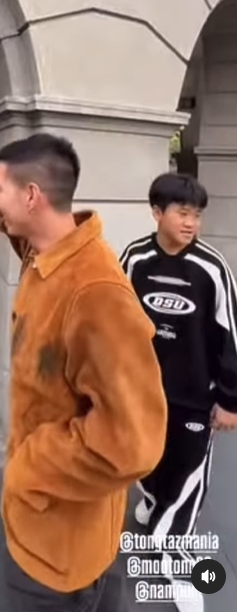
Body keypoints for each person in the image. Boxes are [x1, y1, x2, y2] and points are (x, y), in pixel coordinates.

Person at [0, 104, 168, 612]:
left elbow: (134, 441)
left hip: (58, 557)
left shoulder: (96, 294)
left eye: (4, 190)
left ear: (32, 197)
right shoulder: (47, 250)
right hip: (51, 532)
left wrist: (27, 468)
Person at [120, 172, 237, 612]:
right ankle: (154, 501)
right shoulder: (134, 258)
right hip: (142, 394)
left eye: (197, 216)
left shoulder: (212, 268)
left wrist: (229, 400)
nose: (191, 223)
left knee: (188, 478)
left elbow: (232, 338)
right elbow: (114, 320)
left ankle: (177, 560)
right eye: (183, 213)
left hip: (195, 397)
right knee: (148, 463)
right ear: (157, 213)